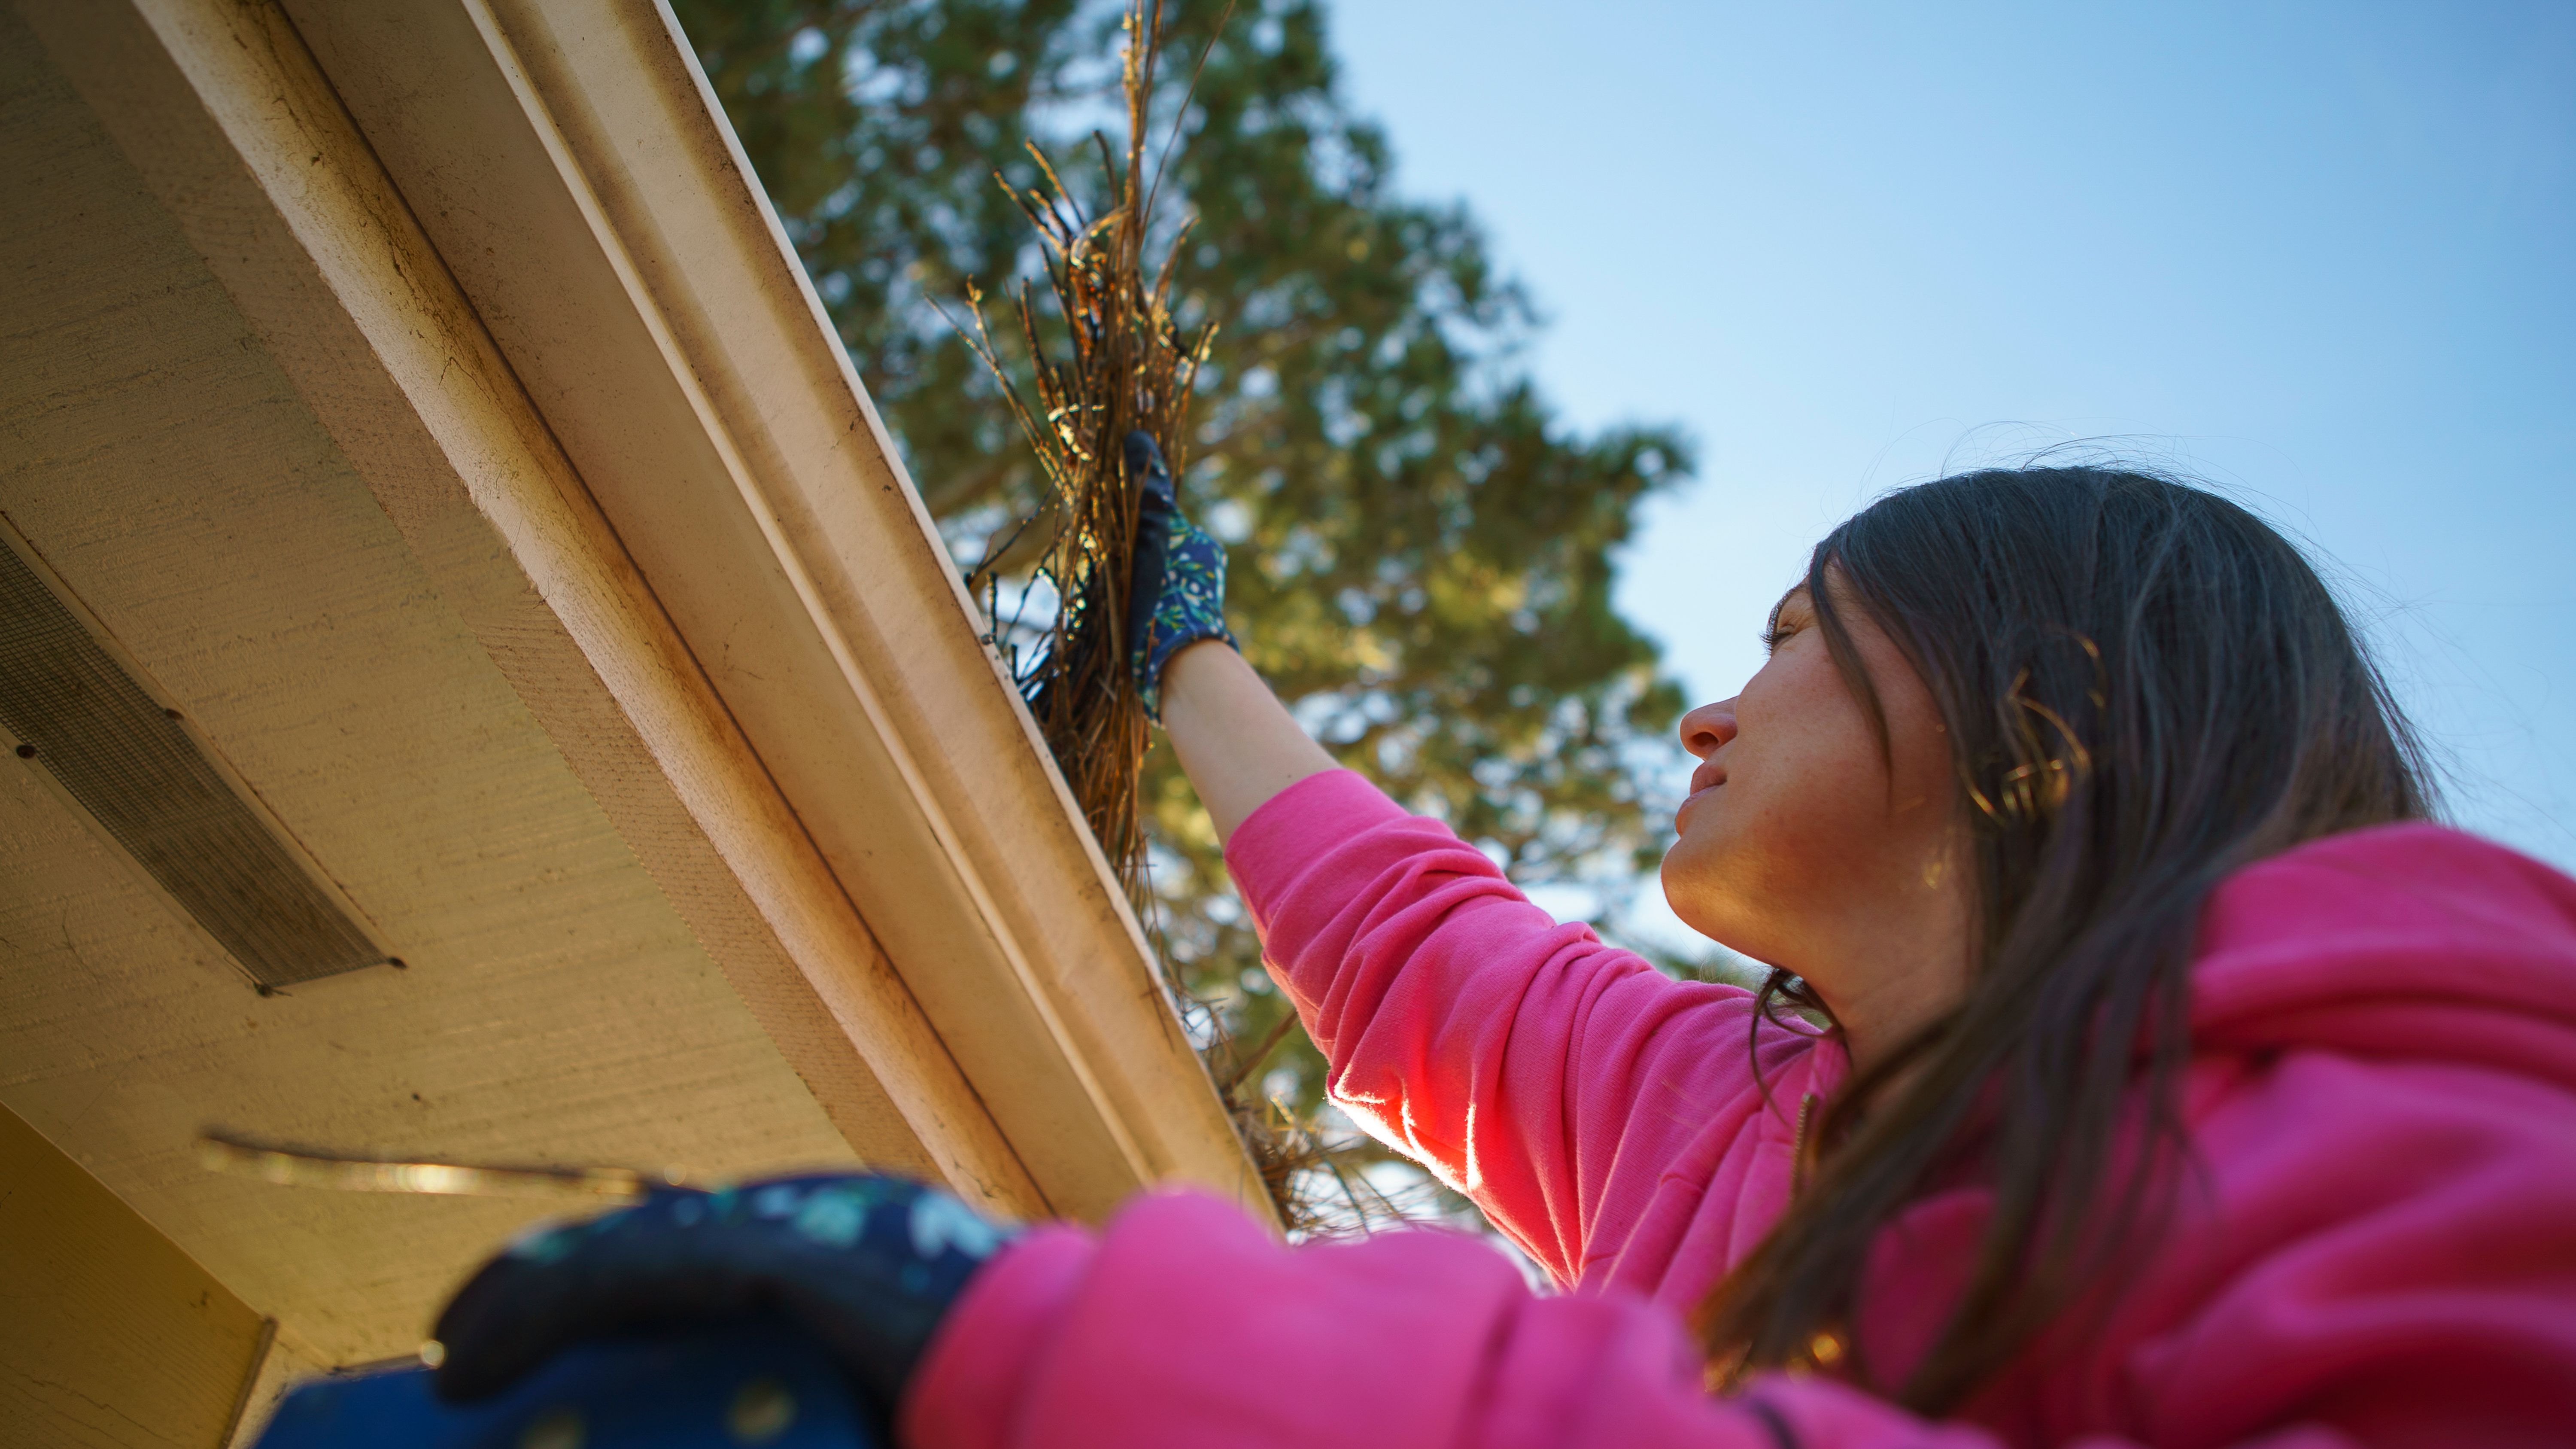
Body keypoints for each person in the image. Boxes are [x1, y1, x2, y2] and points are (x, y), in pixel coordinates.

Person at [432, 439, 2576, 1447]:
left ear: (2050, 708)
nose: (1705, 708)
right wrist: (1188, 646)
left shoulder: (2442, 1113)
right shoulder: (1709, 1095)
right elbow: (1406, 938)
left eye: (1792, 638)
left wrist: (1097, 1359)